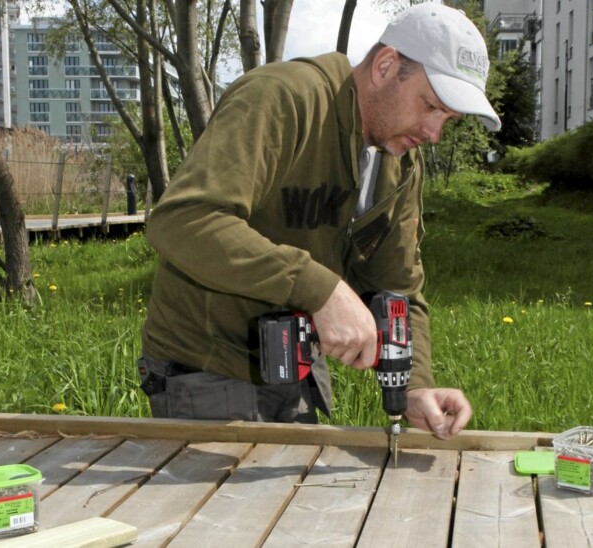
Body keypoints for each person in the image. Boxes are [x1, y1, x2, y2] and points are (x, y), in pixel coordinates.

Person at [137, 3, 500, 440]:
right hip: (206, 364)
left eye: (448, 119)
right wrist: (318, 288)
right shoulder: (283, 99)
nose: (434, 132)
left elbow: (397, 286)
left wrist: (415, 383)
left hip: (295, 369)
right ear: (385, 66)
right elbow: (183, 220)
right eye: (430, 105)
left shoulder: (400, 164)